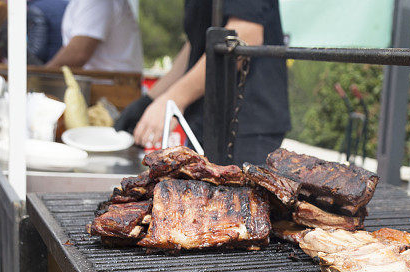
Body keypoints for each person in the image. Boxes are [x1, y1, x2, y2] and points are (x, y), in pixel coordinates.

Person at [114, 0, 290, 165]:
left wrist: (175, 98)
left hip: (246, 125)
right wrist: (151, 99)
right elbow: (196, 47)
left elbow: (245, 33)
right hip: (204, 121)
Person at [46, 0, 142, 72]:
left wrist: (41, 76)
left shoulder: (94, 2)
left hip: (110, 90)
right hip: (107, 87)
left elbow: (77, 54)